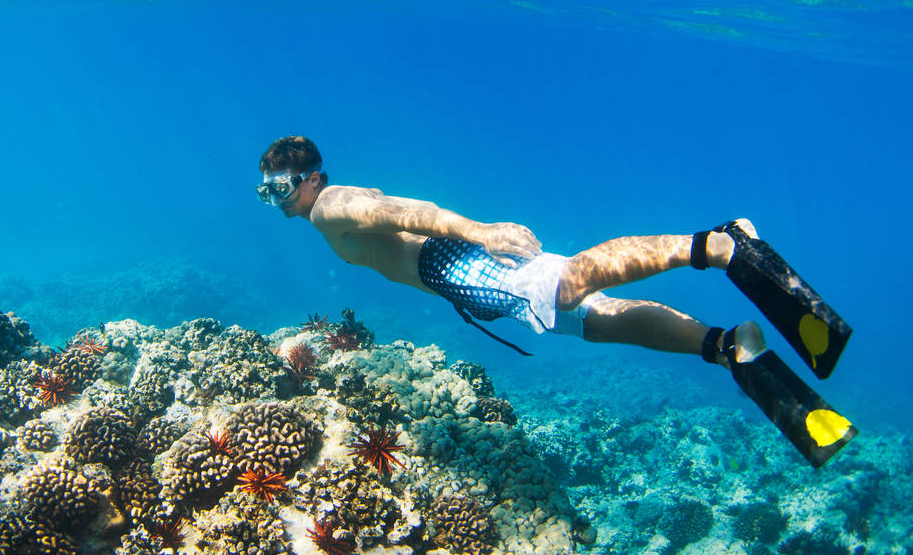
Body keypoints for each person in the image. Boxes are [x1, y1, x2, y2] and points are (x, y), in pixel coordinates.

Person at [256, 136, 857, 467]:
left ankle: (719, 245)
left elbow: (402, 212)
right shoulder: (324, 211)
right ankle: (725, 347)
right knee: (596, 321)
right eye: (265, 192)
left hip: (459, 264)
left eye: (281, 187)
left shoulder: (330, 207)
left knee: (571, 282)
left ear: (311, 178)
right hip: (460, 279)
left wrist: (478, 232)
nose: (275, 199)